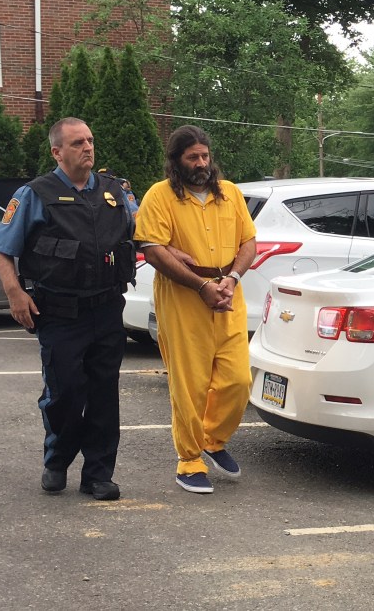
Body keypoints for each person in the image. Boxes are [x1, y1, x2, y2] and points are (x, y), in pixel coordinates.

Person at [0, 117, 137, 501]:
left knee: (104, 394)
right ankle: (57, 461)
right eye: (77, 143)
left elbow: (145, 237)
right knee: (66, 392)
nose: (87, 147)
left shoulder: (115, 192)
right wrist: (15, 294)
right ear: (57, 151)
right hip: (58, 313)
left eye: (90, 140)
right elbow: (3, 249)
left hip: (106, 309)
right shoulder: (35, 194)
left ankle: (98, 474)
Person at [133, 125, 257, 495]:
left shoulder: (230, 194)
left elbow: (248, 241)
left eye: (205, 156)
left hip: (228, 292)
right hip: (184, 296)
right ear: (176, 162)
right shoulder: (160, 196)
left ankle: (212, 439)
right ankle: (189, 460)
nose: (201, 163)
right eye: (192, 158)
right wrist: (200, 285)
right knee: (190, 384)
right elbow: (152, 249)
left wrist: (232, 278)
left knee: (238, 380)